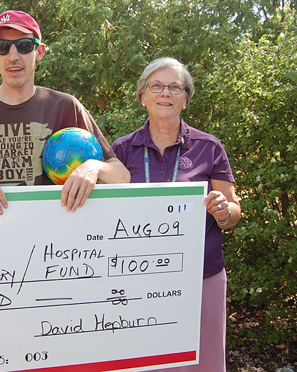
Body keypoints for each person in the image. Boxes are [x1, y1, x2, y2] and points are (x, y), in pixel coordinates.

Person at [112, 57, 241, 372]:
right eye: (156, 86)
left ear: (186, 98)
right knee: (145, 359)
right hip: (138, 277)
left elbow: (233, 210)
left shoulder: (209, 148)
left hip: (201, 276)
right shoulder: (123, 150)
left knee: (204, 360)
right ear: (143, 96)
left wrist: (223, 212)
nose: (164, 93)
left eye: (174, 87)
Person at [0, 10, 129, 217]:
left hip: (56, 237)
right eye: (2, 47)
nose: (13, 56)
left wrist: (96, 167)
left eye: (24, 46)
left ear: (39, 52)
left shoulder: (66, 107)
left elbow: (122, 176)